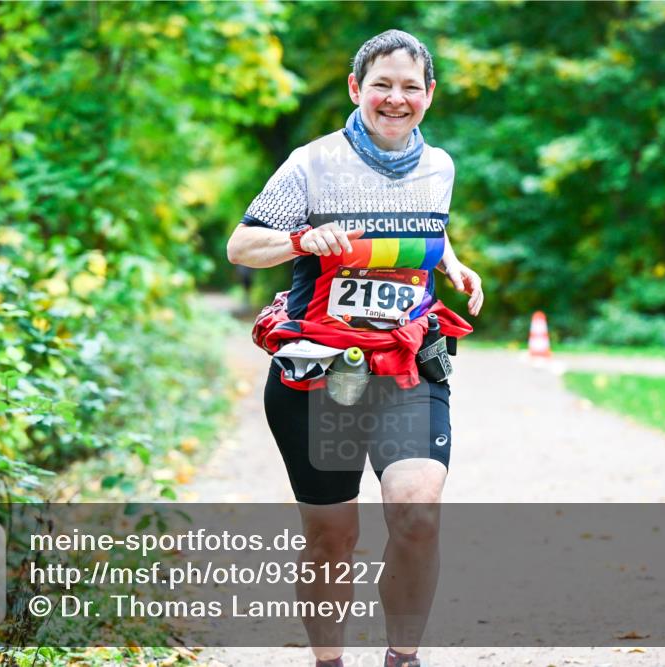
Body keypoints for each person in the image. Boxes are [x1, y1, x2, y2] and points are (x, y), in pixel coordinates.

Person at [226, 30, 483, 667]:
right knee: (332, 539)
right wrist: (301, 240)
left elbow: (424, 228)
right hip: (320, 374)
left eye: (410, 87)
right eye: (381, 85)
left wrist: (450, 262)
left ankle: (403, 658)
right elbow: (241, 246)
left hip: (407, 366)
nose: (396, 98)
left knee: (418, 513)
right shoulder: (311, 163)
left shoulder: (440, 166)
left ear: (429, 94)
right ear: (355, 89)